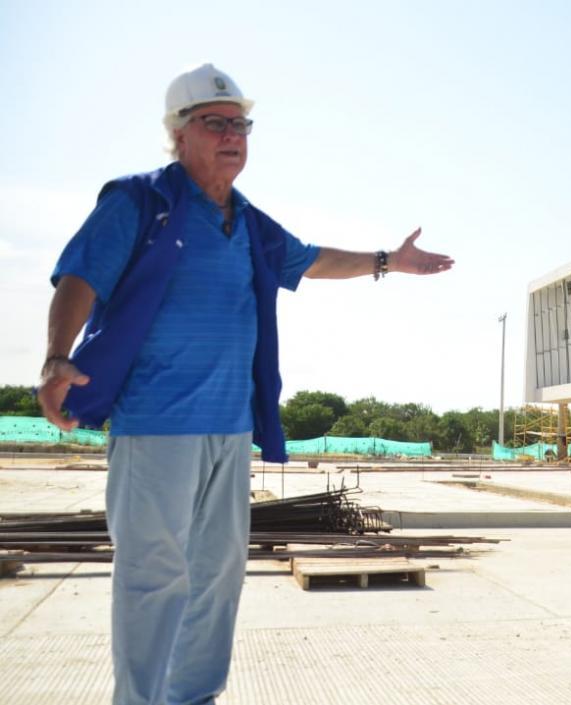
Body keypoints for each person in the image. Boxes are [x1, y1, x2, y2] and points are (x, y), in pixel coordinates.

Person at [35, 63, 454, 705]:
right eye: (215, 123)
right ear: (179, 133)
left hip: (230, 431)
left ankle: (193, 697)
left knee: (219, 578)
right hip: (155, 427)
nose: (233, 135)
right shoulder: (139, 201)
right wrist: (55, 357)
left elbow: (311, 259)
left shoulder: (250, 223)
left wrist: (384, 262)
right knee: (153, 578)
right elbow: (79, 276)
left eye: (241, 124)